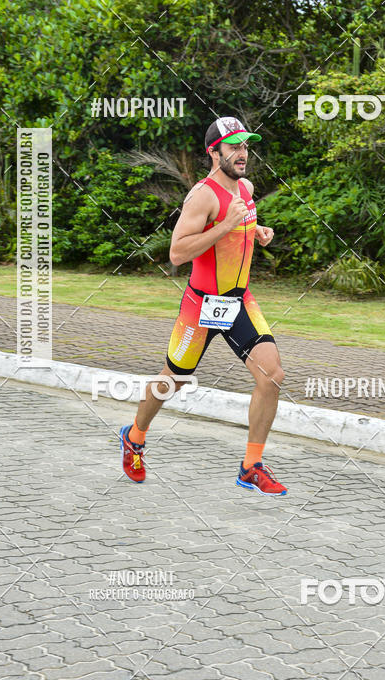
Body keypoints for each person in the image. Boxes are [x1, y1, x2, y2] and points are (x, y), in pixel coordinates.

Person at [119, 116, 287, 495]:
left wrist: (257, 232)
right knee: (172, 381)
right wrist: (227, 225)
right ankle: (135, 435)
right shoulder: (202, 195)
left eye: (245, 145)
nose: (243, 153)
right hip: (202, 304)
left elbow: (238, 228)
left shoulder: (246, 186)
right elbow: (178, 253)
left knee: (271, 375)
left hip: (239, 299)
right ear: (215, 152)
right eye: (234, 146)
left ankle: (251, 466)